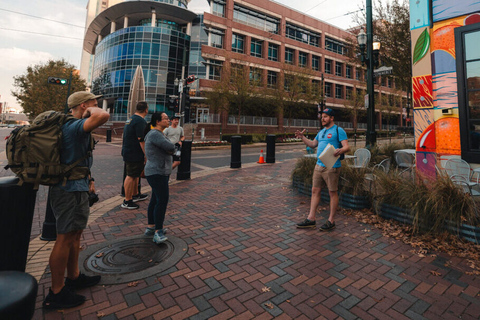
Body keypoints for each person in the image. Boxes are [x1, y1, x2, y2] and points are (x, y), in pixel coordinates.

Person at [43, 91, 109, 309]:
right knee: (64, 238)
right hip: (68, 190)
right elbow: (102, 116)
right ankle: (56, 292)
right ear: (83, 106)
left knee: (75, 235)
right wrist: (91, 110)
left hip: (77, 186)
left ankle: (74, 276)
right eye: (93, 102)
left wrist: (89, 178)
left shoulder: (75, 127)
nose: (97, 105)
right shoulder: (72, 126)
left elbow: (79, 157)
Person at [295, 108, 350, 231]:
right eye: (322, 116)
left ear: (331, 118)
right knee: (315, 190)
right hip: (318, 165)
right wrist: (302, 137)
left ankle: (331, 221)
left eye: (325, 116)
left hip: (331, 166)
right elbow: (313, 144)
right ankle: (311, 219)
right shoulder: (321, 132)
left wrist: (340, 150)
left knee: (332, 192)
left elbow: (347, 146)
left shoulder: (338, 130)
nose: (322, 119)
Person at [143, 112, 175, 243]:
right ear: (157, 121)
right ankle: (158, 232)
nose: (168, 120)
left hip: (158, 171)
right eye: (166, 119)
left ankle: (151, 227)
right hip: (157, 172)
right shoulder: (155, 134)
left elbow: (169, 148)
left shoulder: (159, 134)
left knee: (155, 199)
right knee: (162, 200)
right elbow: (171, 147)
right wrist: (171, 148)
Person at [121, 101, 149, 209]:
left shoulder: (131, 119)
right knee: (131, 175)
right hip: (134, 152)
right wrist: (146, 154)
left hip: (128, 150)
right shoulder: (140, 121)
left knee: (135, 174)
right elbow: (141, 139)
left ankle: (136, 194)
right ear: (146, 110)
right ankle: (127, 200)